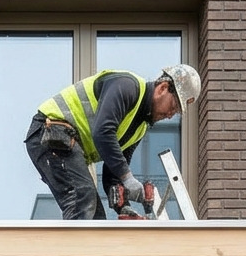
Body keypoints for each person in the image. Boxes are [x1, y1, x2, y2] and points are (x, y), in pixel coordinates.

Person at [25, 64, 201, 220]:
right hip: (50, 131)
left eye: (176, 112)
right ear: (163, 88)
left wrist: (123, 206)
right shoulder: (127, 86)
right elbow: (102, 132)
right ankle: (75, 248)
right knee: (82, 197)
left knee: (96, 218)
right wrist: (128, 178)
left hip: (64, 141)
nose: (170, 115)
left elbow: (113, 172)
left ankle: (83, 247)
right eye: (173, 106)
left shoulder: (139, 128)